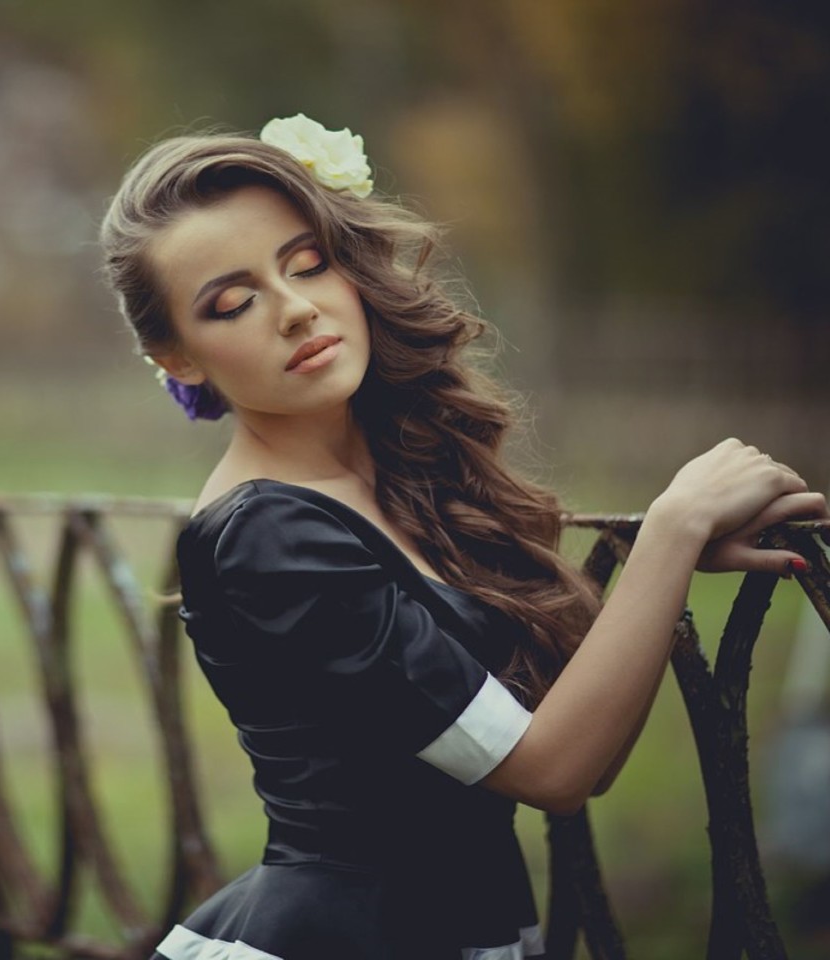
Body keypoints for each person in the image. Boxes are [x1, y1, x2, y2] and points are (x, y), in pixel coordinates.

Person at [98, 114, 826, 959]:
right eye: (233, 303)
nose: (295, 310)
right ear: (178, 358)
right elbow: (550, 772)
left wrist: (656, 571)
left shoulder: (396, 481)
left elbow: (589, 753)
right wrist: (671, 529)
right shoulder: (268, 537)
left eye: (308, 263)